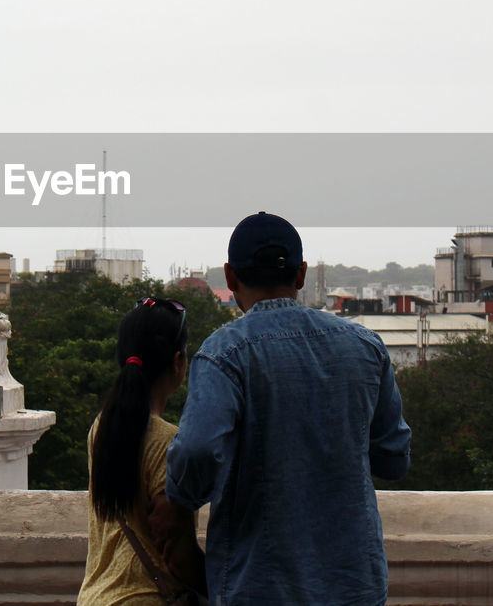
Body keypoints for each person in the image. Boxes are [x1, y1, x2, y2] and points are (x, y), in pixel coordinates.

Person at [154, 212, 411, 605]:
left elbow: (197, 449)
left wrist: (179, 501)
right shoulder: (365, 345)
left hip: (257, 586)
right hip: (355, 584)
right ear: (301, 274)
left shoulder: (225, 354)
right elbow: (394, 458)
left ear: (230, 277)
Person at [78, 298, 206, 605]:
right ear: (178, 362)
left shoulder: (101, 427)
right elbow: (177, 553)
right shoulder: (168, 442)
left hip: (95, 596)